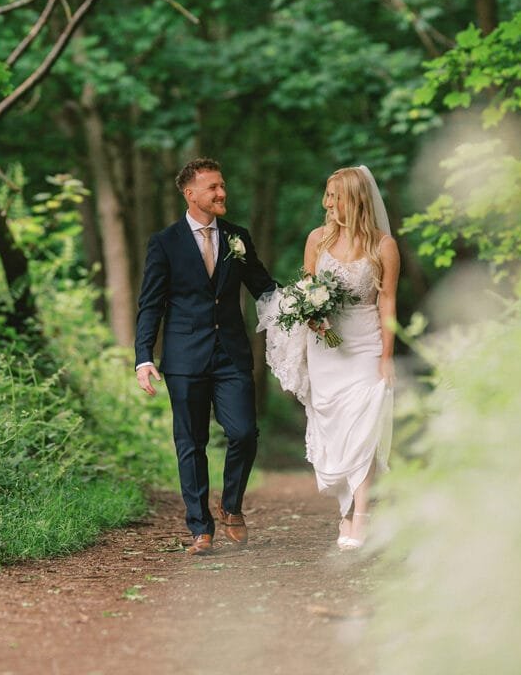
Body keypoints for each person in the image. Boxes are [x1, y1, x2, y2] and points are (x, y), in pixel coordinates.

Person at [135, 157, 277, 556]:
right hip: (184, 359)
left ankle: (231, 506)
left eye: (223, 185)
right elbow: (151, 304)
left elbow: (264, 287)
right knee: (190, 442)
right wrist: (143, 357)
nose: (222, 193)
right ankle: (201, 528)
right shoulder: (164, 242)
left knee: (244, 433)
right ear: (190, 193)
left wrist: (307, 307)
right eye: (213, 187)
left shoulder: (238, 236)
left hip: (231, 354)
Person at [260, 165, 399, 550]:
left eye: (334, 195)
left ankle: (362, 515)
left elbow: (387, 299)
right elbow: (306, 288)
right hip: (327, 348)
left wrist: (386, 354)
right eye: (327, 195)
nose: (327, 203)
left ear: (353, 199)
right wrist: (314, 319)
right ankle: (345, 512)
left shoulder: (382, 245)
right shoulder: (318, 240)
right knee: (337, 430)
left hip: (366, 341)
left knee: (365, 425)